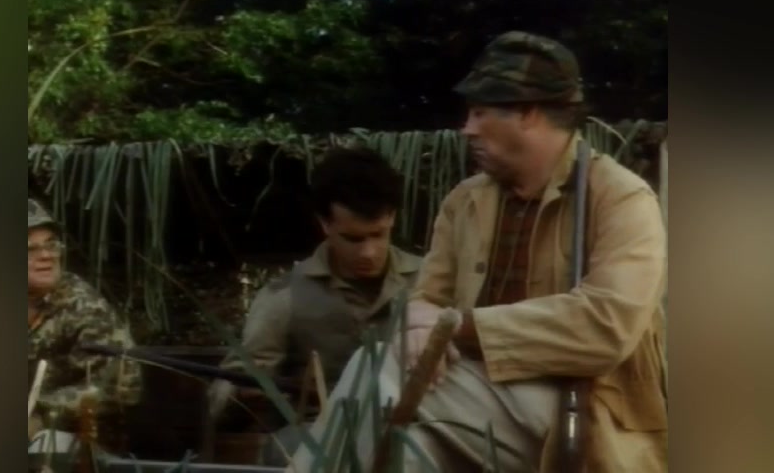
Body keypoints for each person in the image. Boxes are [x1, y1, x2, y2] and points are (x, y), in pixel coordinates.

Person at [286, 31, 668, 473]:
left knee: (375, 368)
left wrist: (457, 327)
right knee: (405, 455)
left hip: (582, 411)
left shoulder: (620, 198)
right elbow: (427, 300)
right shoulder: (466, 200)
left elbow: (606, 328)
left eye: (480, 112)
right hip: (477, 398)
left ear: (526, 113)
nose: (467, 128)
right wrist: (417, 328)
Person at [207, 146, 423, 466]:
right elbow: (225, 391)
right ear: (325, 223)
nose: (368, 252)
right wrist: (243, 394)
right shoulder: (284, 296)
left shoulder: (430, 281)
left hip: (416, 427)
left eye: (377, 235)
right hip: (320, 431)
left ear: (392, 216)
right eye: (353, 239)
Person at [28, 198, 143, 454]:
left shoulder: (83, 306)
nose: (46, 255)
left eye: (51, 244)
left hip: (78, 439)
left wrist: (39, 412)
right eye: (29, 248)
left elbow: (120, 386)